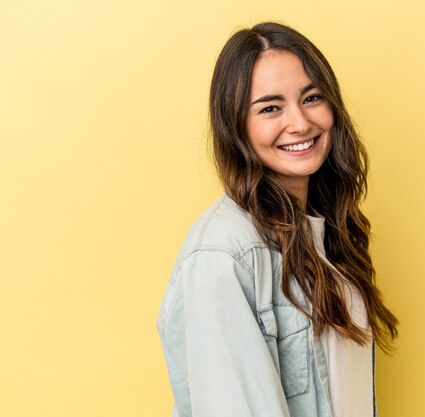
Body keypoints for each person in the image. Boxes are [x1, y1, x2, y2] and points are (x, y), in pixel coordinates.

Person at [157, 22, 398, 417]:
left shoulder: (322, 229)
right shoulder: (222, 257)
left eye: (312, 98)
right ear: (235, 125)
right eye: (271, 108)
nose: (300, 123)